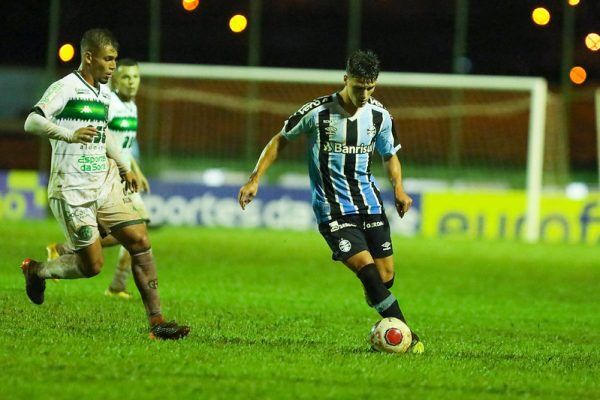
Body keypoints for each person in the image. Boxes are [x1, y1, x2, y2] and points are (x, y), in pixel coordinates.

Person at [238, 49, 424, 353]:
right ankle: (408, 337)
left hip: (370, 204)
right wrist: (255, 177)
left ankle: (378, 294)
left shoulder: (380, 115)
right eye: (359, 86)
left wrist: (399, 190)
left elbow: (390, 155)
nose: (364, 94)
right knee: (367, 271)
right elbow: (280, 139)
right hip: (333, 210)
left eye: (370, 87)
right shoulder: (317, 112)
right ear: (345, 78)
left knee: (385, 277)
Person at [22, 28, 189, 340]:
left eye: (114, 59)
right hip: (72, 188)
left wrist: (126, 168)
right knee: (92, 265)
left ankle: (157, 323)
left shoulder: (104, 94)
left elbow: (104, 133)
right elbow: (32, 121)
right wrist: (68, 134)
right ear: (88, 57)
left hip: (105, 182)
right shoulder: (66, 87)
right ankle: (38, 271)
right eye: (107, 59)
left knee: (139, 239)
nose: (113, 66)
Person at [47, 58, 150, 301]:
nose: (132, 82)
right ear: (115, 79)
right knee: (135, 229)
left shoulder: (132, 106)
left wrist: (136, 169)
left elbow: (124, 145)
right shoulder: (109, 103)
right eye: (126, 77)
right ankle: (71, 253)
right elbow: (104, 140)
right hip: (109, 175)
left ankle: (114, 283)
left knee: (135, 230)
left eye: (135, 77)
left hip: (124, 173)